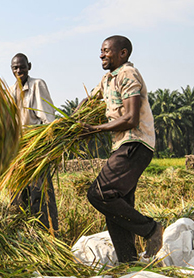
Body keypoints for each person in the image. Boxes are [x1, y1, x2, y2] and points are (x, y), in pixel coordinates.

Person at [81, 35, 163, 263]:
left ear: (123, 53)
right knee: (117, 205)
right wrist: (72, 120)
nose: (101, 54)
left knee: (99, 193)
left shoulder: (127, 74)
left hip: (135, 142)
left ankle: (151, 229)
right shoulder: (108, 79)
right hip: (123, 145)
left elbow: (131, 118)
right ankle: (128, 262)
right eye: (101, 50)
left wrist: (96, 128)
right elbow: (90, 99)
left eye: (106, 50)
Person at [9, 53, 59, 232]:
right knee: (18, 194)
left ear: (29, 66)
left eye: (22, 66)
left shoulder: (37, 85)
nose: (19, 70)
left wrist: (44, 145)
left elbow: (47, 118)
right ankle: (22, 237)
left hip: (36, 146)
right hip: (19, 150)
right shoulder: (11, 90)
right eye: (15, 68)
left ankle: (49, 234)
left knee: (40, 194)